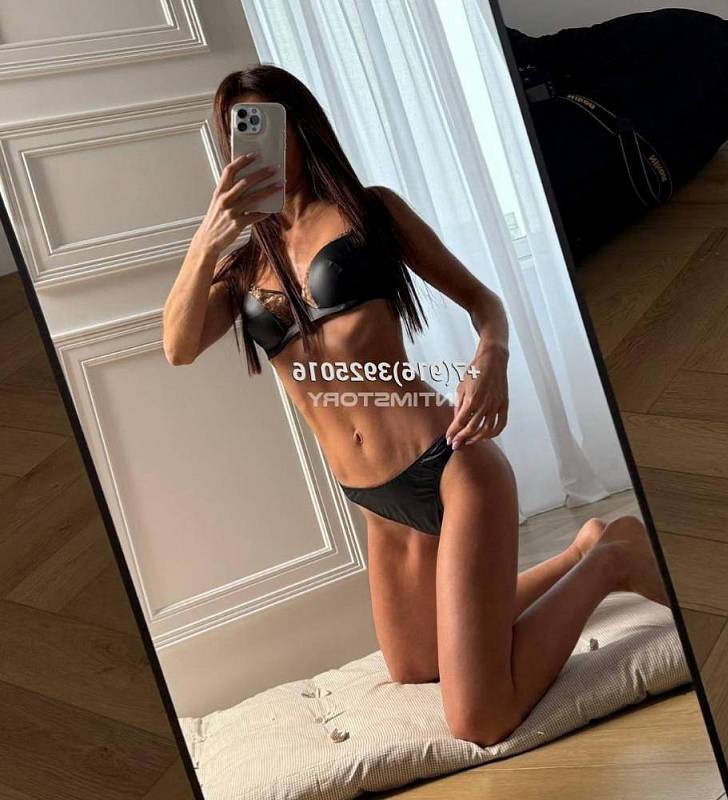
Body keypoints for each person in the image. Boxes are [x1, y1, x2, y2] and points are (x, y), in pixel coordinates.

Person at [162, 64, 668, 748]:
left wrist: (491, 359)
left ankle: (614, 562)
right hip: (377, 502)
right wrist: (209, 235)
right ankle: (585, 548)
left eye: (266, 125)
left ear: (300, 128)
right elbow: (178, 347)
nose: (254, 144)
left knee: (479, 718)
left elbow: (484, 303)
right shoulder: (243, 263)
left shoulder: (370, 213)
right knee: (412, 664)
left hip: (449, 468)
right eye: (238, 133)